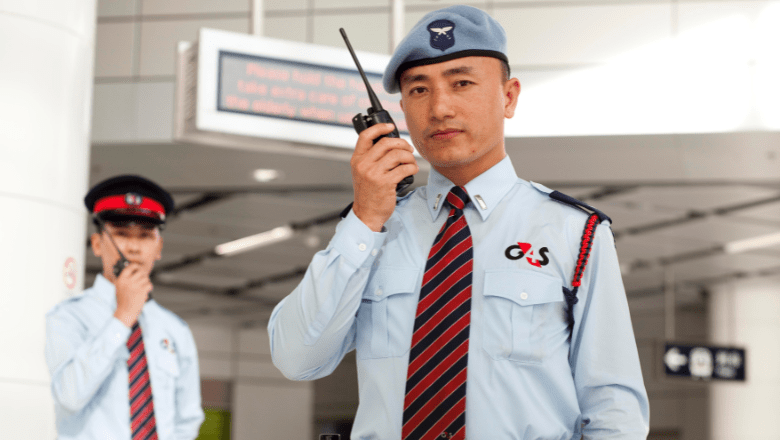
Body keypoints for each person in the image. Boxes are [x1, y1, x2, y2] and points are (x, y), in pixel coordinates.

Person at [269, 5, 649, 439]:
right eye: (418, 90)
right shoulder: (372, 230)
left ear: (508, 97)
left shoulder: (573, 233)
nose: (440, 108)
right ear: (399, 113)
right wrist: (364, 219)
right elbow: (297, 358)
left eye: (462, 83)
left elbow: (613, 408)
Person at [45, 175, 204, 440]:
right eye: (120, 234)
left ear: (158, 247)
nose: (133, 247)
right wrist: (123, 316)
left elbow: (188, 418)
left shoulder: (176, 330)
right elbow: (69, 397)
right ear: (97, 244)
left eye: (144, 236)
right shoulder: (68, 317)